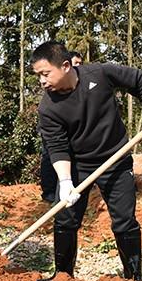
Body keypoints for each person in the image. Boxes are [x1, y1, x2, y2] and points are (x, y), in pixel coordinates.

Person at [31, 41, 142, 281]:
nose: (42, 81)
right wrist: (65, 181)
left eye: (45, 74)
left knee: (124, 220)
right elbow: (56, 146)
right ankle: (62, 277)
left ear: (65, 66)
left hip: (115, 159)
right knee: (65, 217)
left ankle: (134, 279)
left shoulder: (99, 74)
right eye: (38, 76)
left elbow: (136, 78)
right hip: (77, 166)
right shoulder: (48, 107)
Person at [39, 50, 83, 203]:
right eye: (75, 63)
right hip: (54, 133)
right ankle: (49, 192)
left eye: (79, 64)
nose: (78, 66)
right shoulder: (49, 101)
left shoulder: (85, 81)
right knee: (49, 157)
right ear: (65, 64)